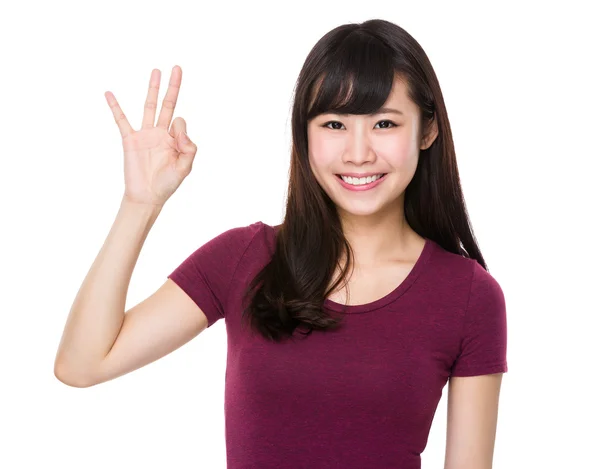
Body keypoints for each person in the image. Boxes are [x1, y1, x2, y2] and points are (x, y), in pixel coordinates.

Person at [54, 18, 508, 469]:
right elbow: (82, 363)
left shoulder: (469, 295)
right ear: (304, 135)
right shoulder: (242, 260)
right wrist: (140, 204)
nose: (358, 152)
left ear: (427, 132)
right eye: (334, 124)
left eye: (384, 123)